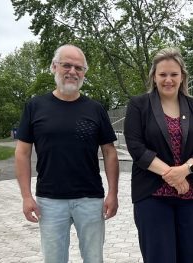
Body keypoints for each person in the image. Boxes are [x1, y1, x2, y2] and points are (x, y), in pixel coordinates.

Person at [14, 44, 119, 263]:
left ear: (84, 73)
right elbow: (22, 153)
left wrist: (113, 193)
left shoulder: (95, 109)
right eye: (67, 65)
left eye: (79, 68)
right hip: (50, 200)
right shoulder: (35, 106)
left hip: (90, 198)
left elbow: (109, 152)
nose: (72, 71)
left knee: (94, 259)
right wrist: (26, 196)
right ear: (54, 67)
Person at [123, 47, 193, 263]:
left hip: (190, 195)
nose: (168, 80)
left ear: (182, 77)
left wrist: (184, 171)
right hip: (152, 196)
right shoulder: (139, 105)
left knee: (188, 257)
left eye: (174, 74)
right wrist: (172, 175)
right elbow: (136, 147)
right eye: (163, 74)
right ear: (154, 77)